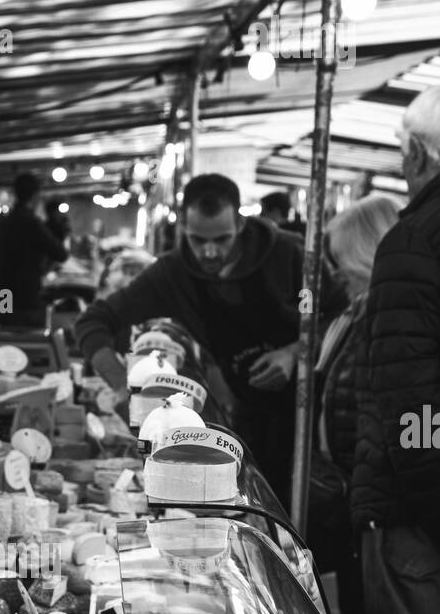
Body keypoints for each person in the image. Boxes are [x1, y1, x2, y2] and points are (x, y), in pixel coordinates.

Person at [75, 173, 341, 502]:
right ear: (183, 227)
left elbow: (337, 315)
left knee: (313, 516)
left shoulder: (290, 257)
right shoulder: (171, 275)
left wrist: (294, 352)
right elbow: (94, 321)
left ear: (240, 226)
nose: (211, 252)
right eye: (199, 240)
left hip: (311, 415)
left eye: (222, 239)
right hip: (249, 412)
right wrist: (119, 383)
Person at [351, 85, 440, 614]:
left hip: (416, 517)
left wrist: (423, 504)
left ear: (415, 153)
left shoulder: (412, 241)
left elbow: (411, 399)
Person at [309, 195, 399, 614]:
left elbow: (418, 419)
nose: (335, 272)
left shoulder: (389, 320)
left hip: (378, 509)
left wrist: (394, 474)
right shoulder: (356, 316)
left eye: (342, 260)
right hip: (354, 500)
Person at [0, 172, 68, 327]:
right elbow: (60, 254)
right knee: (28, 342)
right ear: (35, 196)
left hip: (4, 293)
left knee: (5, 333)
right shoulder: (32, 224)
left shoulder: (5, 223)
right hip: (26, 297)